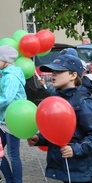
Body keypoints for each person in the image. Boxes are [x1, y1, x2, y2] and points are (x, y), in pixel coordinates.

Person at [27, 53, 92, 183]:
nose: (53, 74)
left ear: (73, 75)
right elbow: (59, 132)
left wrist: (76, 149)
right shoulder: (56, 100)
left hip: (84, 173)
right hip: (66, 169)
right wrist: (40, 139)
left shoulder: (84, 101)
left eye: (58, 71)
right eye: (52, 71)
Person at [0, 45, 25, 183]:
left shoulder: (11, 77)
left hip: (13, 120)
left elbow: (7, 98)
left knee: (13, 154)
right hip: (2, 120)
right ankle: (9, 179)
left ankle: (16, 181)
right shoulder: (3, 74)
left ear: (6, 61)